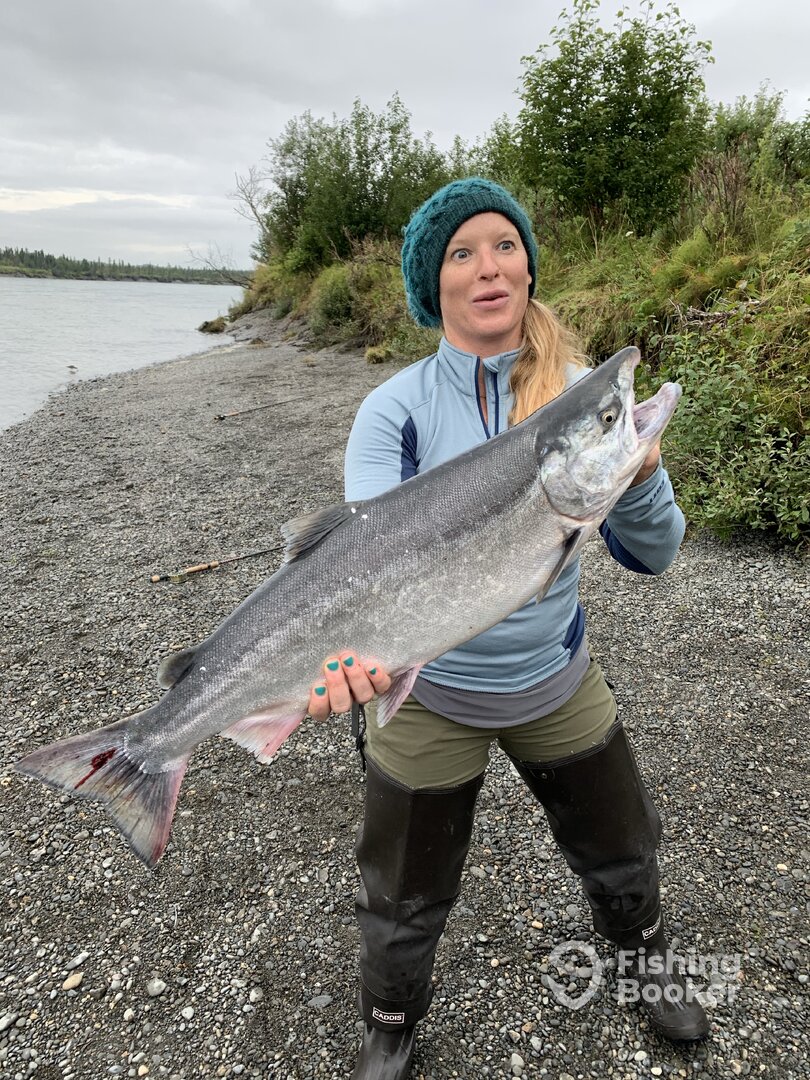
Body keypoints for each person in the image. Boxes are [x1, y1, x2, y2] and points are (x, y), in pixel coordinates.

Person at [306, 178, 709, 1079]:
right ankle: (390, 1022)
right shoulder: (395, 412)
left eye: (505, 245)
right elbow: (357, 568)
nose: (488, 266)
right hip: (429, 694)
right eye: (462, 253)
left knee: (622, 848)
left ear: (528, 267)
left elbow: (655, 554)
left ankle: (644, 962)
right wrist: (350, 666)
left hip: (553, 677)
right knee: (403, 891)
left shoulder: (576, 399)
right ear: (433, 284)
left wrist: (641, 474)